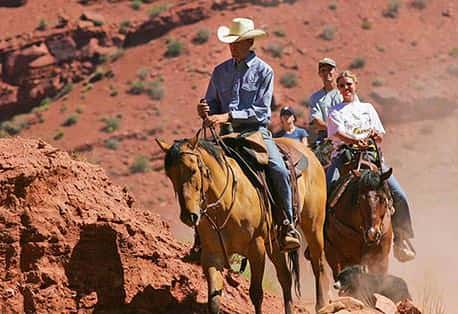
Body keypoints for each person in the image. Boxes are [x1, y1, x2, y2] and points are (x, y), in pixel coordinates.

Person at [197, 18, 300, 251]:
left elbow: (262, 111)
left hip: (255, 132)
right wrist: (204, 110)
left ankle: (287, 224)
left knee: (278, 168)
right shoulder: (220, 71)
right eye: (231, 42)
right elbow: (211, 103)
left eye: (238, 42)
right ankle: (201, 233)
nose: (232, 46)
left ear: (250, 42)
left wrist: (228, 116)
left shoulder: (264, 71)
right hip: (224, 134)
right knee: (198, 167)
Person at [326, 70, 416, 262]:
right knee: (326, 192)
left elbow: (381, 134)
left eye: (348, 84)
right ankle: (320, 238)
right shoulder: (335, 111)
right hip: (344, 158)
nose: (345, 88)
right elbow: (339, 134)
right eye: (341, 85)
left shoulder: (367, 108)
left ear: (356, 84)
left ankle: (401, 239)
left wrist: (375, 136)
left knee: (400, 194)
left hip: (372, 158)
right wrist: (355, 139)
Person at [308, 57, 343, 147]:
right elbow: (316, 121)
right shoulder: (315, 98)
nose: (326, 73)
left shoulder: (346, 92)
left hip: (348, 132)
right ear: (319, 74)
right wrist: (334, 130)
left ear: (335, 71)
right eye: (323, 70)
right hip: (325, 136)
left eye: (329, 70)